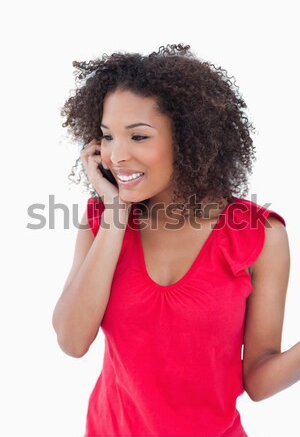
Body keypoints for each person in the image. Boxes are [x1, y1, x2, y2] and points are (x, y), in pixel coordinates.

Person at [52, 44, 300, 437]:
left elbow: (259, 378)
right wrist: (116, 215)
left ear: (186, 138)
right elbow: (72, 340)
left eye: (138, 136)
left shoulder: (259, 236)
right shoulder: (101, 220)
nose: (117, 155)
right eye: (107, 137)